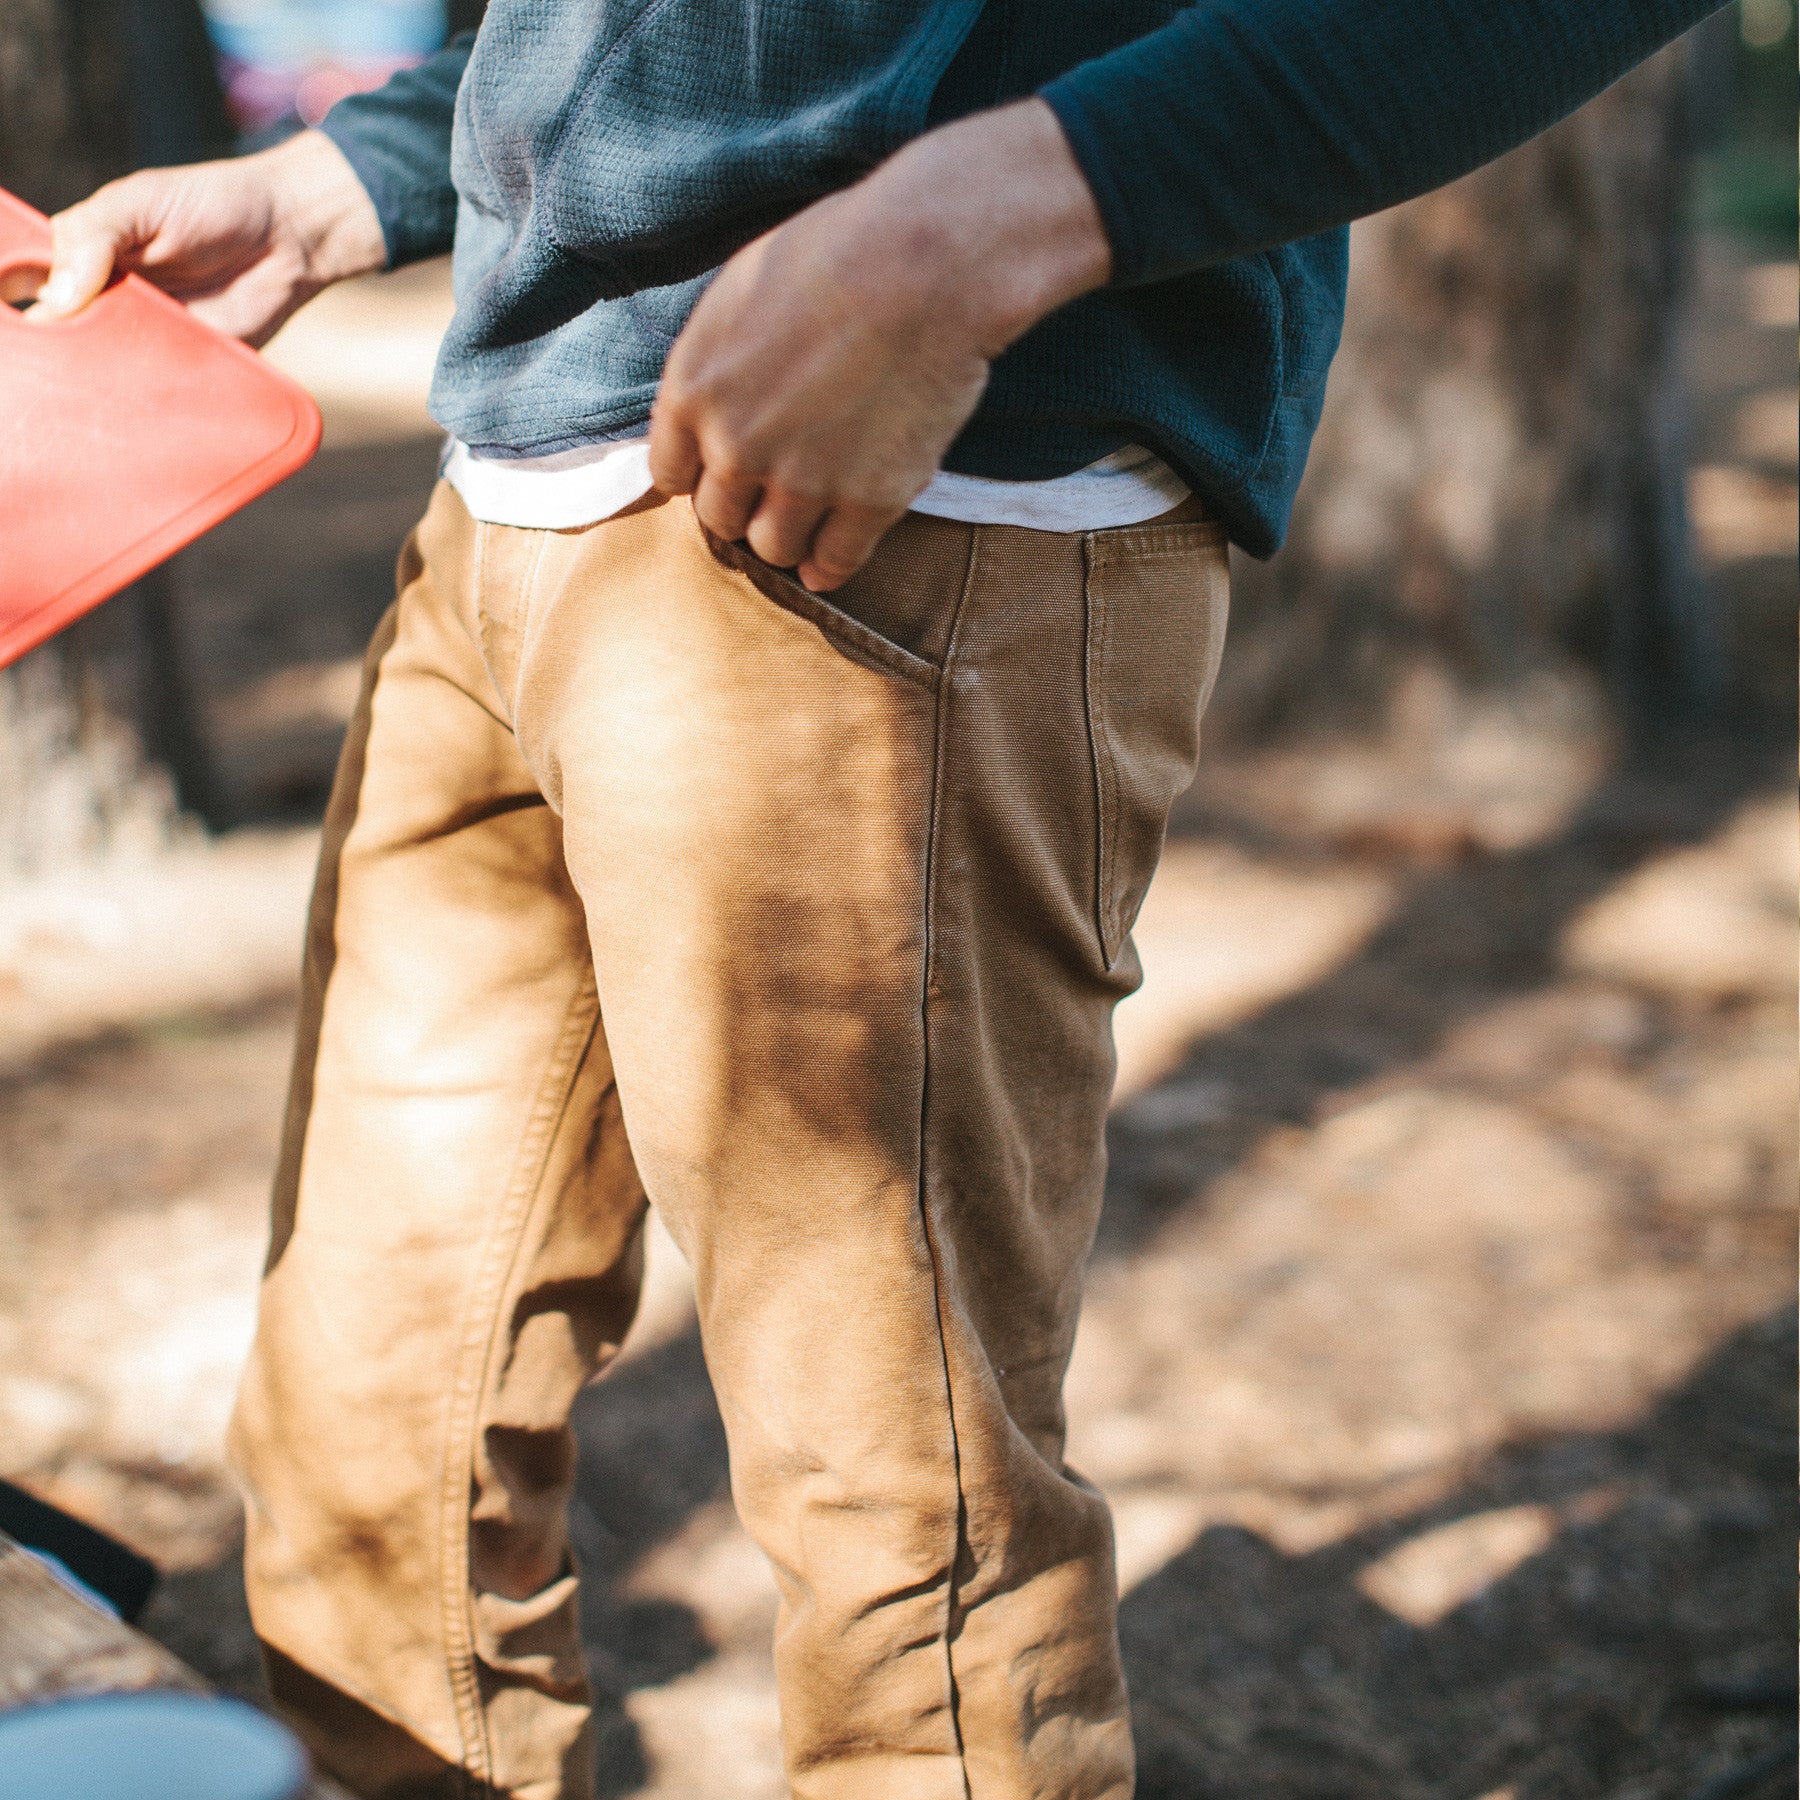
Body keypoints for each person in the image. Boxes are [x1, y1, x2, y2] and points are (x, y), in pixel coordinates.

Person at [33, 2, 1720, 1794]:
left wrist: (1008, 211)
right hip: (502, 510)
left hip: (906, 512)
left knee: (904, 1549)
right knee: (365, 1454)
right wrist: (327, 189)